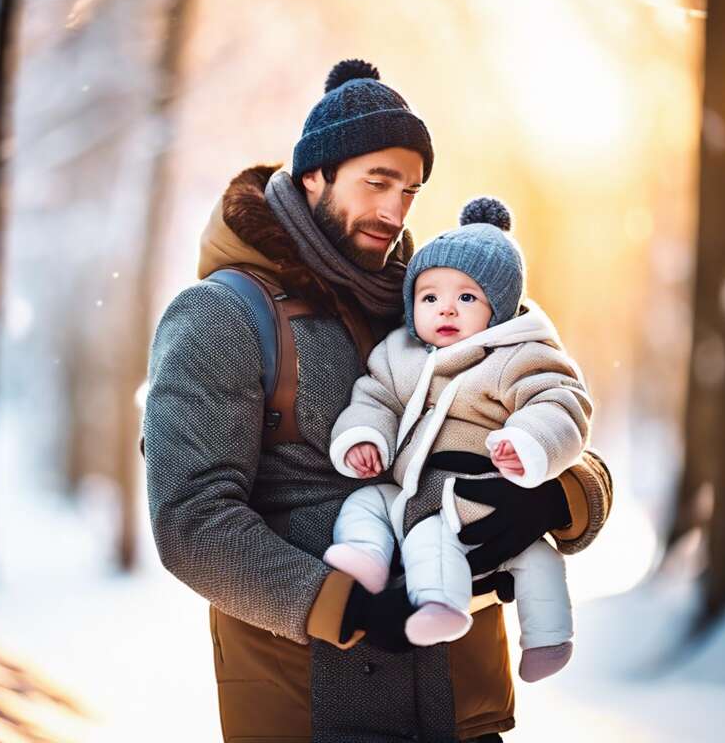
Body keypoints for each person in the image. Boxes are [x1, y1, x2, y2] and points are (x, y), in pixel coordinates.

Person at [143, 59, 613, 742]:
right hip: (316, 705)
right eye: (377, 182)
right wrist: (345, 607)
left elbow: (560, 406)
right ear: (315, 175)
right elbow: (191, 520)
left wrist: (553, 494)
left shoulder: (436, 303)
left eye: (412, 190)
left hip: (462, 706)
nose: (395, 211)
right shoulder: (222, 316)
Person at [326, 197, 591, 684]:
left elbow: (560, 403)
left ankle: (461, 611)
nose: (445, 307)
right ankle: (365, 555)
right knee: (366, 501)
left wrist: (527, 443)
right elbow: (374, 399)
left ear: (499, 308)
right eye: (429, 298)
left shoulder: (516, 355)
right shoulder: (399, 354)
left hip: (480, 487)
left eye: (467, 298)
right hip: (411, 485)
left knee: (498, 550)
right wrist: (364, 439)